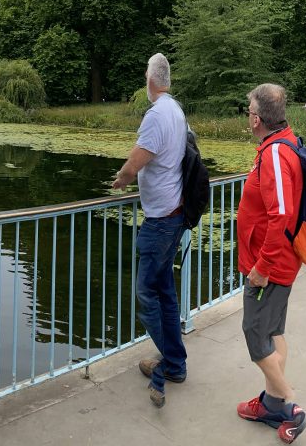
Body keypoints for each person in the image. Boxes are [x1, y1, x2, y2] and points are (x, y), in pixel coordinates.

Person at [105, 53, 189, 408]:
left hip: (160, 220)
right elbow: (148, 149)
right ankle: (175, 361)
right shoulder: (176, 110)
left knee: (146, 293)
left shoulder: (157, 114)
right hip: (174, 214)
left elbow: (138, 159)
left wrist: (121, 180)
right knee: (165, 291)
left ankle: (172, 362)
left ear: (149, 79)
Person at [235, 83, 306, 443]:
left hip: (270, 267)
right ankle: (270, 403)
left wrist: (262, 267)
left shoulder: (277, 154)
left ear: (256, 118)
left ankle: (290, 406)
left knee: (255, 334)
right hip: (277, 261)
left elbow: (280, 213)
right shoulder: (279, 144)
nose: (248, 115)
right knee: (273, 331)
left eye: (249, 110)